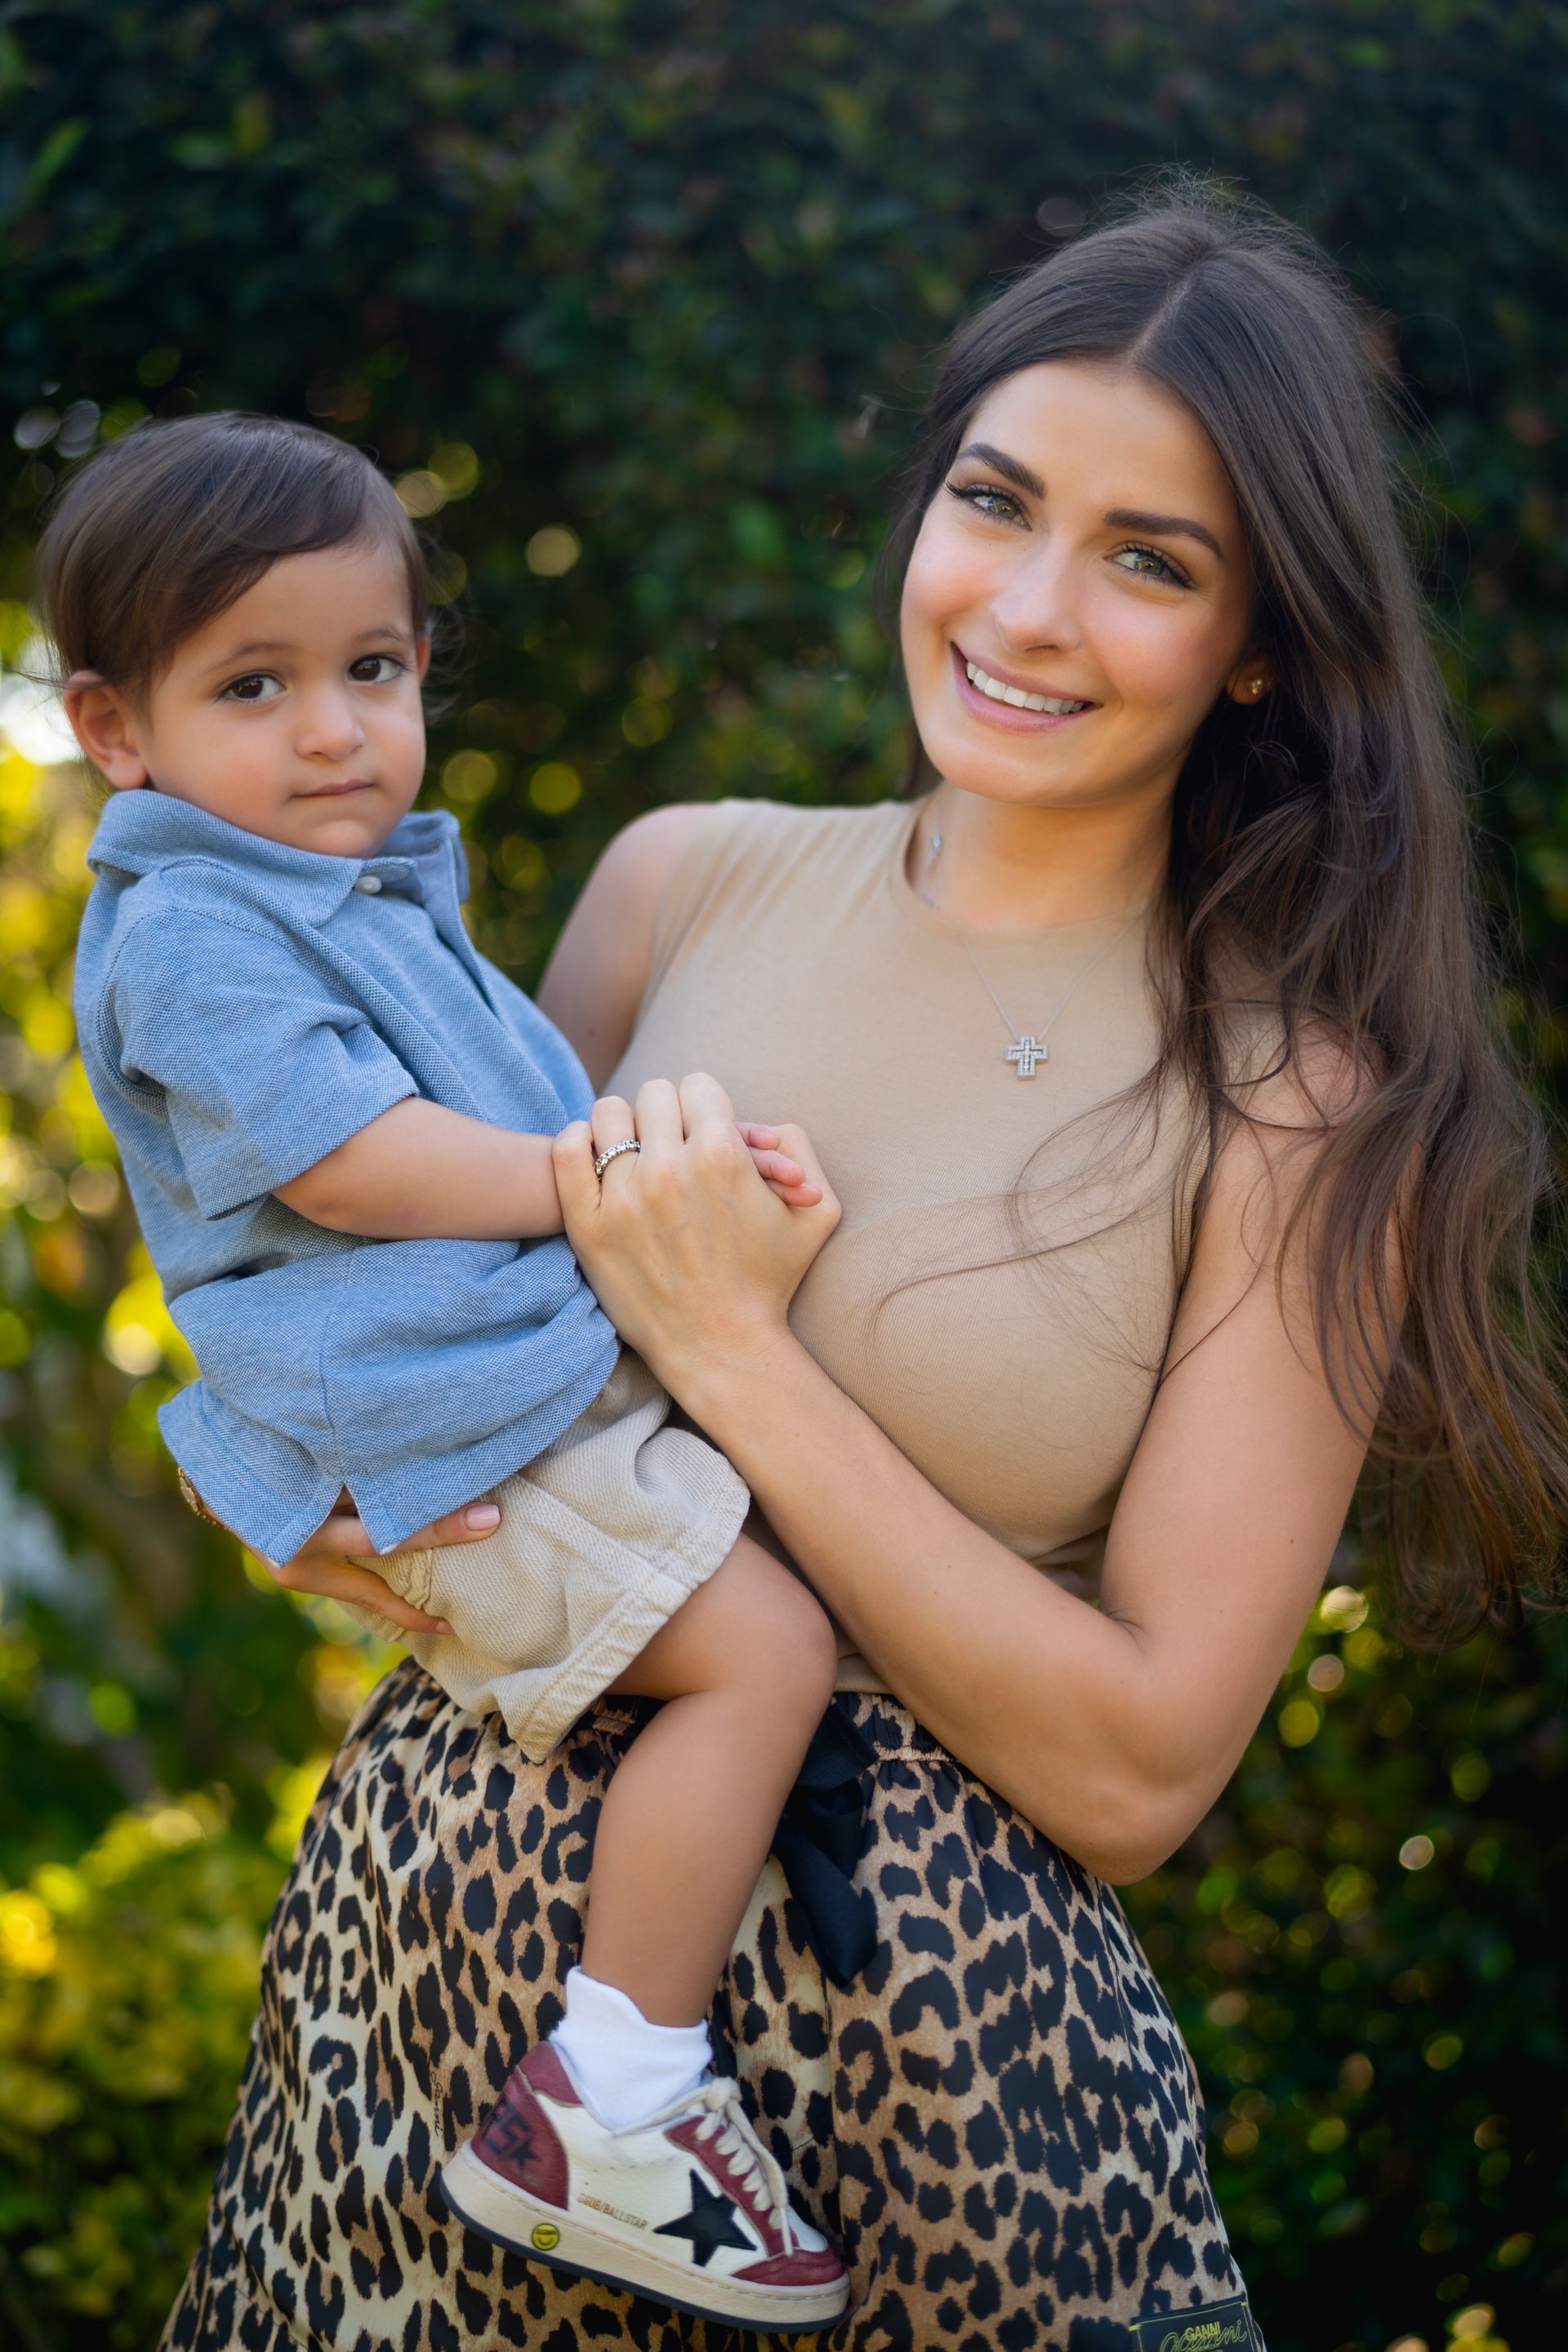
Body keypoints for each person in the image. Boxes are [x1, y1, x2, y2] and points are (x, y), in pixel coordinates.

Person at [163, 185, 1566, 2352]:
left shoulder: (1298, 1102)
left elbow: (1137, 1770)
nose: (1026, 606)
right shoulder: (676, 888)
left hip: (925, 2115)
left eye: (1149, 558)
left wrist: (737, 1348)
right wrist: (309, 1506)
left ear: (1258, 638)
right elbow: (375, 1306)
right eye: (994, 503)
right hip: (417, 2017)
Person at [43, 411, 854, 2332]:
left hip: (486, 1398)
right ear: (115, 731)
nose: (335, 730)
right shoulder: (190, 932)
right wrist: (611, 1187)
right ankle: (615, 2095)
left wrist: (678, 1188)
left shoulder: (348, 890)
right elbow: (351, 1158)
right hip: (438, 1439)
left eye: (372, 670)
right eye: (258, 684)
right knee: (769, 1654)